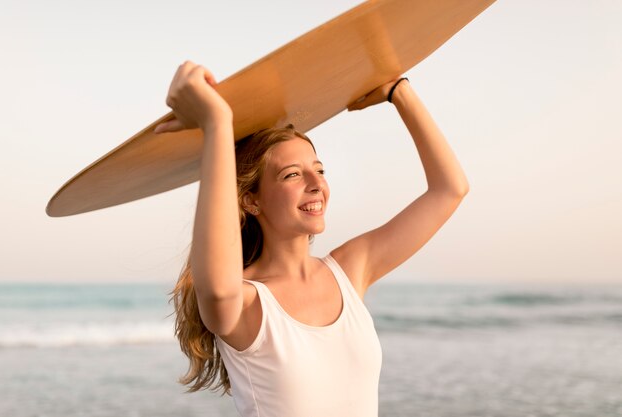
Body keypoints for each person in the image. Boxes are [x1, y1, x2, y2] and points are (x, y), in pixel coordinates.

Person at [154, 61, 469, 417]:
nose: (316, 183)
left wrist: (399, 92)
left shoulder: (350, 269)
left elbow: (449, 190)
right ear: (250, 200)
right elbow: (217, 287)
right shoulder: (244, 303)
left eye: (318, 170)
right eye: (292, 174)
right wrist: (216, 125)